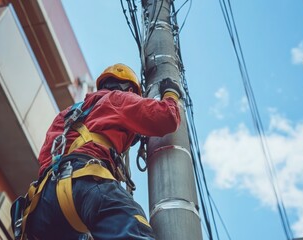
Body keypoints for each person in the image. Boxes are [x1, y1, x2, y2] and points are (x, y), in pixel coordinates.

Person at [15, 63, 182, 240]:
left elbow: (46, 157)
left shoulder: (67, 115)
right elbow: (166, 117)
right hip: (84, 184)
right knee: (133, 230)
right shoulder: (118, 98)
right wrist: (171, 93)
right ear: (129, 89)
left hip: (42, 204)